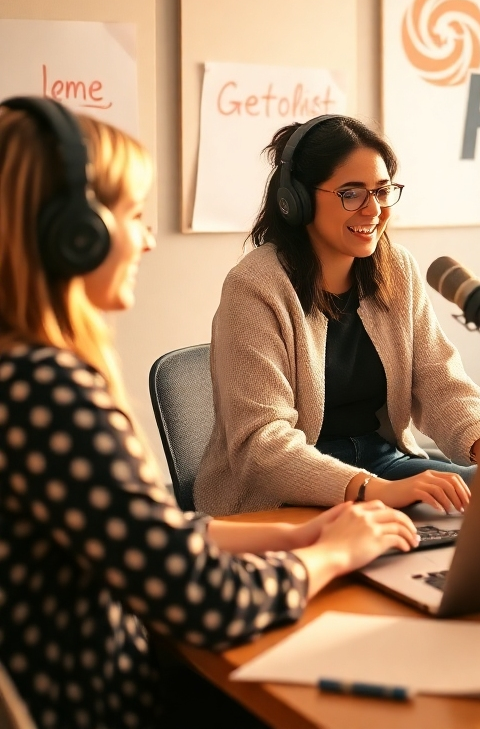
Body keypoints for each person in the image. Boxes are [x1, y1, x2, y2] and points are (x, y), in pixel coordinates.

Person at [0, 98, 420, 729]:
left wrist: (298, 535)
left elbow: (146, 537)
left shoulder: (21, 379)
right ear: (75, 234)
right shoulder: (48, 393)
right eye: (134, 216)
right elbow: (205, 599)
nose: (147, 239)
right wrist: (329, 557)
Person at [194, 114, 480, 517]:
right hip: (283, 489)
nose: (374, 209)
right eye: (351, 193)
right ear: (297, 200)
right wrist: (373, 490)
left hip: (381, 462)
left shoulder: (398, 269)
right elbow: (262, 444)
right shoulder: (253, 287)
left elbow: (440, 381)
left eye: (382, 191)